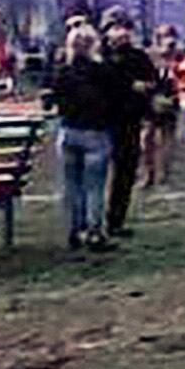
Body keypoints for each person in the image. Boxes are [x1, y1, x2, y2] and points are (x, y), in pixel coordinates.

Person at [51, 22, 121, 252]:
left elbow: (54, 100)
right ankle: (94, 231)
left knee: (71, 186)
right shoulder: (103, 71)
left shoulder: (63, 71)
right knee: (95, 186)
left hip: (69, 130)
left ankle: (74, 229)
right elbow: (114, 101)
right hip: (96, 132)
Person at [99, 7, 160, 237]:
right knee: (96, 176)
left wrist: (146, 90)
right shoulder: (99, 56)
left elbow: (152, 81)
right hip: (102, 123)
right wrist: (129, 85)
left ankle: (116, 220)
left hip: (129, 122)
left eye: (125, 28)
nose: (121, 33)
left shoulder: (138, 57)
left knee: (125, 174)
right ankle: (92, 222)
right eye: (116, 28)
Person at [144, 25, 185, 189]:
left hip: (171, 99)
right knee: (146, 137)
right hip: (151, 100)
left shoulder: (180, 56)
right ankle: (149, 173)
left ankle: (164, 174)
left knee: (166, 137)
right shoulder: (149, 56)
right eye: (163, 36)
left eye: (170, 36)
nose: (168, 40)